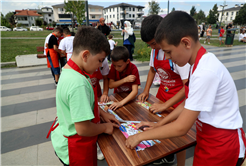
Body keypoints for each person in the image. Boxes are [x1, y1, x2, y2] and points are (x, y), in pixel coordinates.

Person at [126, 11, 246, 166]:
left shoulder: (205, 71)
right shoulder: (196, 64)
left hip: (222, 145)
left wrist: (140, 137)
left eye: (168, 51)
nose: (168, 57)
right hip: (207, 139)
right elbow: (187, 103)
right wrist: (158, 125)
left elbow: (181, 127)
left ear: (186, 43)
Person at [50, 26, 120, 166]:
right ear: (85, 55)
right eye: (100, 60)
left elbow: (85, 104)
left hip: (63, 138)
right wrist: (105, 127)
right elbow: (83, 129)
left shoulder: (70, 70)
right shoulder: (78, 83)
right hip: (75, 149)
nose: (100, 66)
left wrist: (103, 114)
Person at [138, 14, 190, 166]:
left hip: (178, 98)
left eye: (154, 43)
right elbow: (152, 70)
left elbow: (187, 87)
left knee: (178, 135)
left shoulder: (176, 53)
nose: (152, 47)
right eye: (149, 45)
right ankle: (167, 155)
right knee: (158, 124)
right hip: (162, 94)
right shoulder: (155, 51)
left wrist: (166, 105)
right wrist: (146, 90)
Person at [107, 46, 140, 111]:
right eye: (114, 65)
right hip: (117, 96)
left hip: (130, 97)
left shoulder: (133, 69)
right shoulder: (114, 67)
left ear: (127, 61)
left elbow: (135, 91)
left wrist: (121, 103)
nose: (116, 68)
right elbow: (110, 85)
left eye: (119, 66)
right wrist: (125, 80)